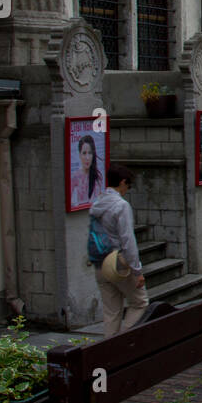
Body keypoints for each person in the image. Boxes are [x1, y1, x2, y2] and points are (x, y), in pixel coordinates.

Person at [90, 164, 148, 336]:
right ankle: (124, 341)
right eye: (128, 185)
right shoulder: (121, 206)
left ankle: (109, 350)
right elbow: (128, 240)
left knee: (111, 311)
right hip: (119, 261)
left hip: (100, 262)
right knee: (140, 303)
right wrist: (137, 270)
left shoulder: (97, 203)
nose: (127, 189)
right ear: (122, 182)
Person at [70, 133, 102, 209]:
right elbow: (68, 199)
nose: (87, 158)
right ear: (79, 154)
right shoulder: (75, 176)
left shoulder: (97, 177)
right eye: (84, 153)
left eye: (90, 153)